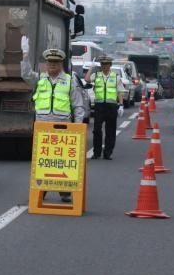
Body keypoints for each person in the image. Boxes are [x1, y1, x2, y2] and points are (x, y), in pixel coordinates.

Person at [20, 35, 85, 203]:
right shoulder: (40, 79)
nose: (52, 66)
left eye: (55, 63)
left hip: (63, 128)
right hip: (42, 127)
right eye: (49, 63)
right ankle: (41, 190)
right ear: (46, 64)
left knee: (62, 161)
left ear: (61, 64)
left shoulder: (70, 81)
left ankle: (64, 191)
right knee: (43, 161)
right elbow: (26, 74)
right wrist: (25, 54)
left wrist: (78, 128)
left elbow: (78, 106)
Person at [84, 55, 124, 160]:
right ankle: (96, 152)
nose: (105, 66)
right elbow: (87, 79)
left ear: (110, 65)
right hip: (99, 106)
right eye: (102, 64)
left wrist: (121, 105)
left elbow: (120, 92)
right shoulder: (96, 75)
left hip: (111, 106)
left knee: (110, 130)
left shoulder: (116, 77)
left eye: (107, 64)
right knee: (97, 129)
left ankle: (108, 153)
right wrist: (91, 68)